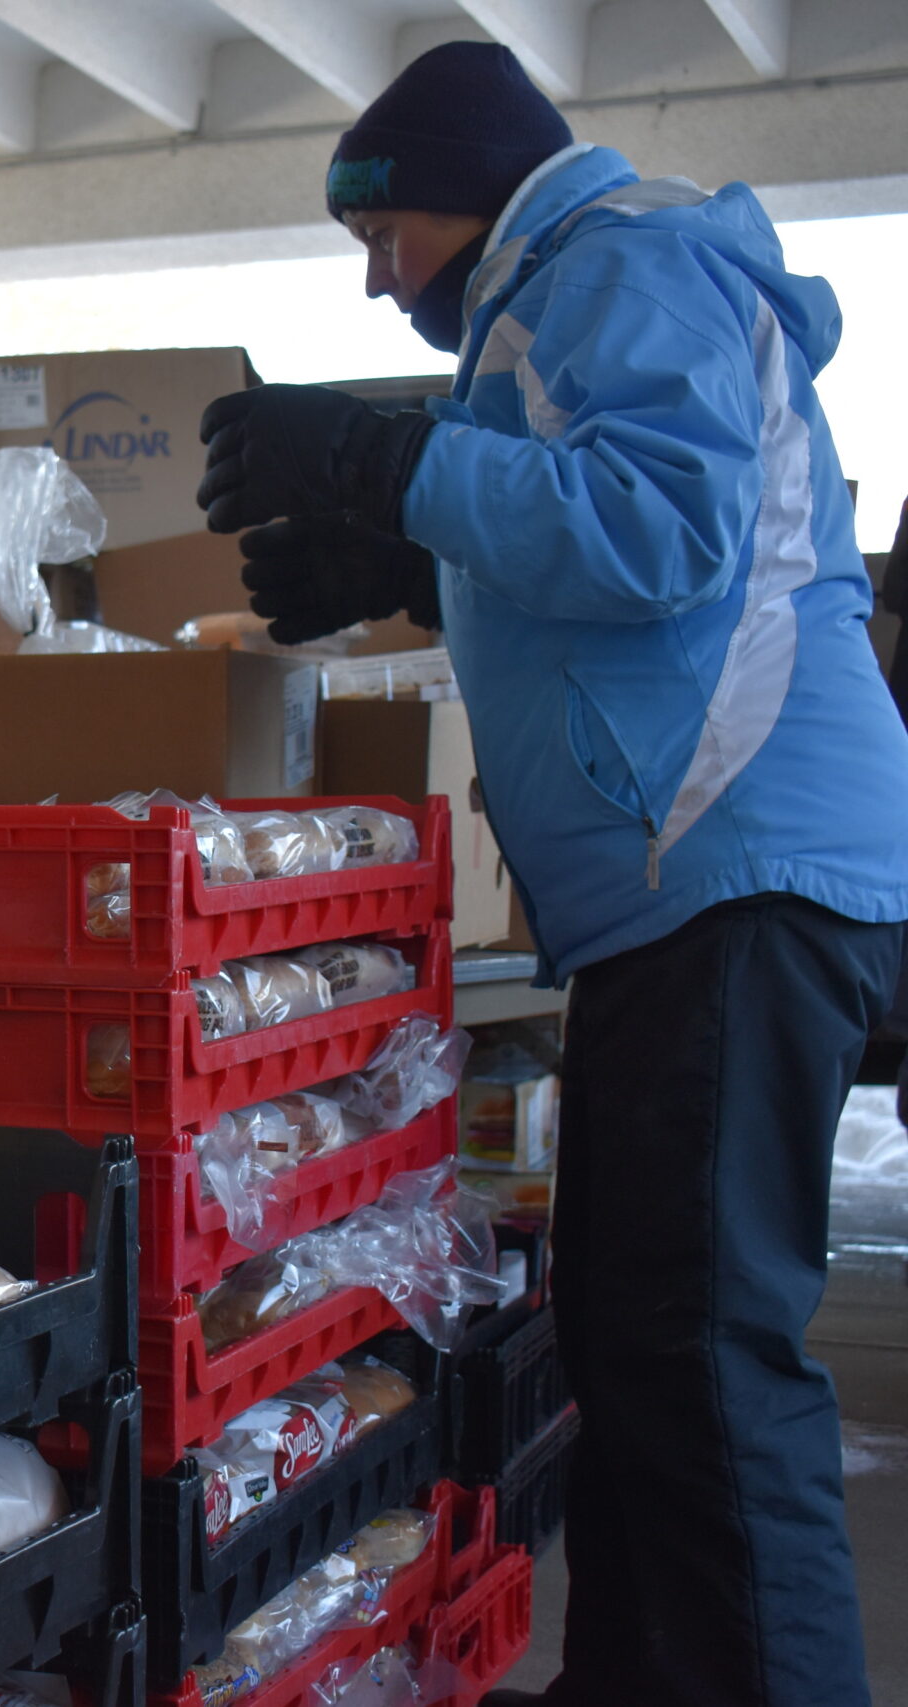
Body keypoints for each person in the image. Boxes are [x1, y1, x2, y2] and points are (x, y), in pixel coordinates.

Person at [191, 40, 908, 1707]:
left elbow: (667, 531)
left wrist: (386, 470)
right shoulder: (554, 301)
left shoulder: (627, 264)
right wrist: (418, 560)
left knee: (705, 1362)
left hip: (736, 873)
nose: (378, 289)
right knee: (637, 1352)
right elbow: (611, 574)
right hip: (688, 893)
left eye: (384, 242)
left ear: (461, 193)